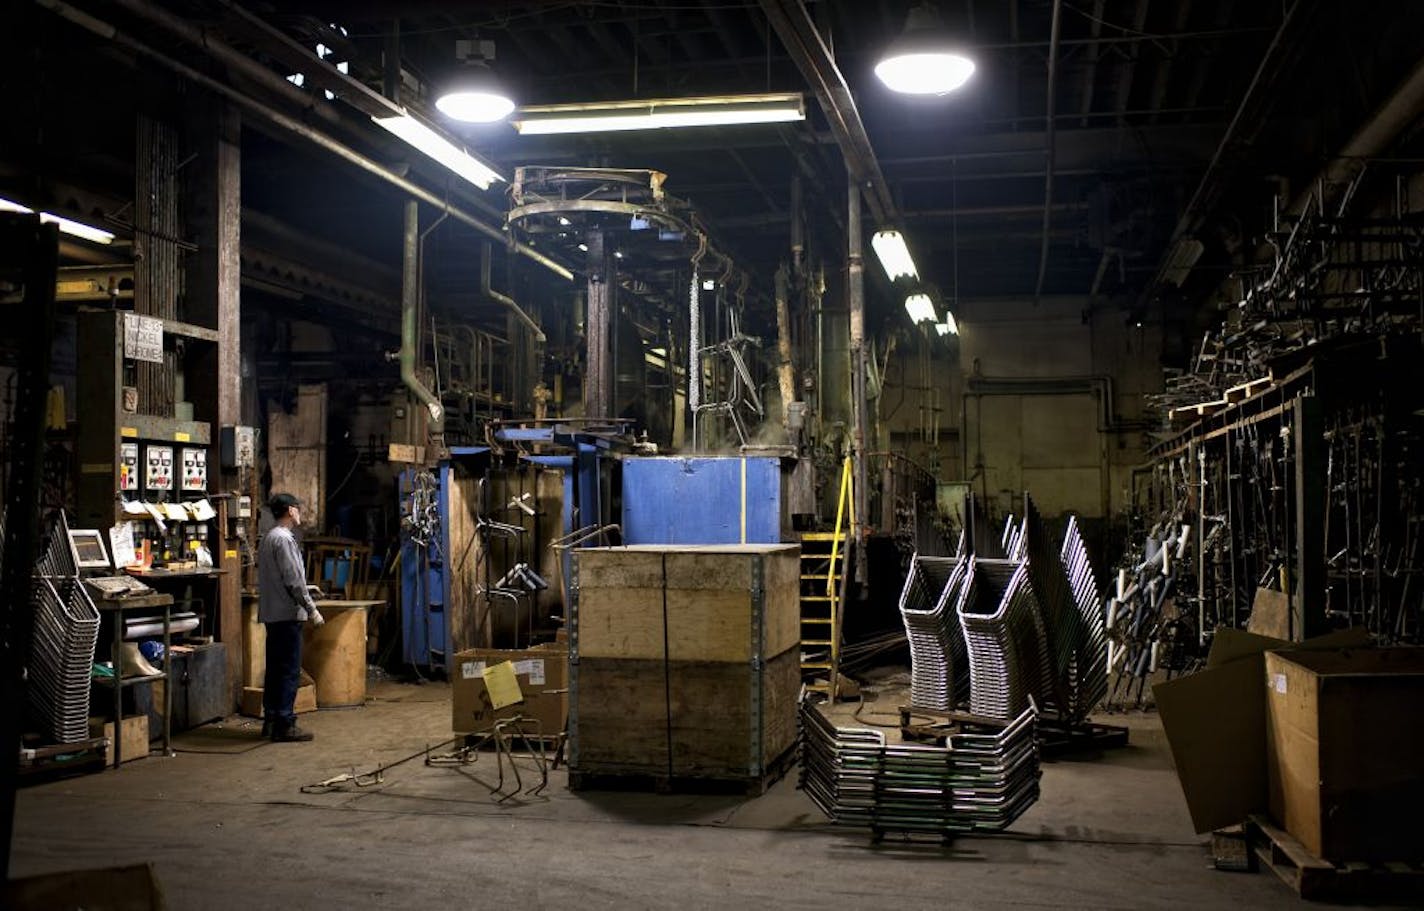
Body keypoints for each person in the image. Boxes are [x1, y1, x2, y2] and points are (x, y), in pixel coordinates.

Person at [257, 492, 324, 742]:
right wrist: (312, 609)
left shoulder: (268, 538)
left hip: (273, 614)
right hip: (287, 615)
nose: (300, 512)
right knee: (288, 670)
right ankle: (285, 723)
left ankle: (271, 720)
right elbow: (294, 581)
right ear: (290, 510)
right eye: (297, 508)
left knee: (275, 669)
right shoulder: (284, 539)